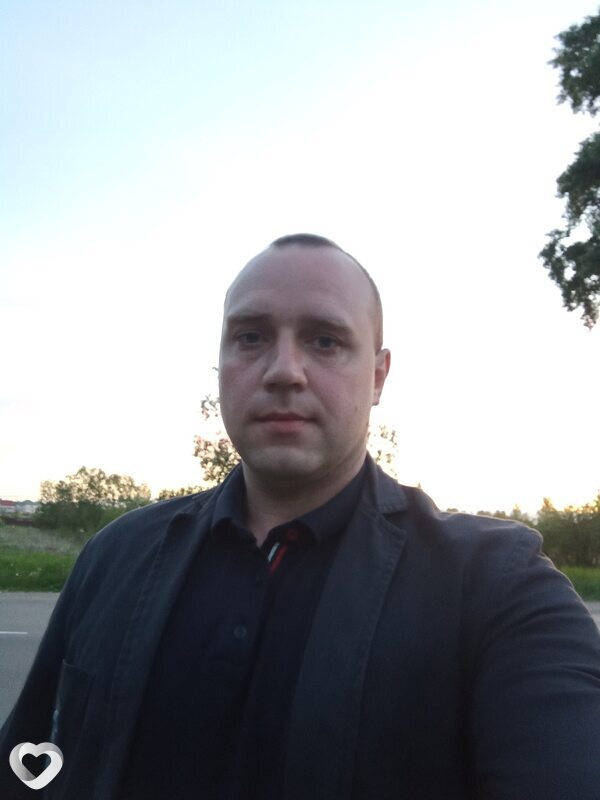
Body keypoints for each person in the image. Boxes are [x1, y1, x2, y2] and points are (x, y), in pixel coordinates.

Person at [1, 234, 599, 799]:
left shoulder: (496, 585)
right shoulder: (116, 554)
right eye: (251, 337)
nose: (283, 370)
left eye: (325, 341)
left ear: (378, 377)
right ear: (221, 362)